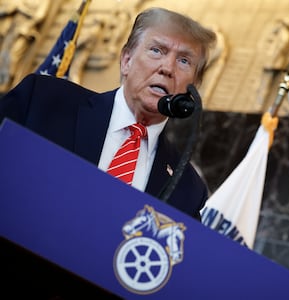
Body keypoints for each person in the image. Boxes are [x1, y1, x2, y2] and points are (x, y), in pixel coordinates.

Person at [0, 7, 216, 220]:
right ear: (126, 61)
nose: (167, 68)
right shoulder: (43, 101)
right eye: (157, 50)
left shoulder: (188, 188)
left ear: (195, 85)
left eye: (184, 61)